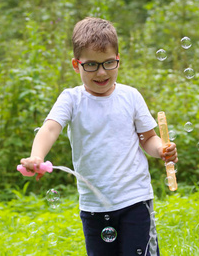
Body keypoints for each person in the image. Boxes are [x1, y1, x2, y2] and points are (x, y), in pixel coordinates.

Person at [20, 17, 178, 256]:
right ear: (76, 64)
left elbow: (148, 138)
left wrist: (161, 150)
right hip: (94, 205)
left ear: (118, 61)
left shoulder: (131, 96)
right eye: (91, 65)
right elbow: (50, 128)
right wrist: (36, 156)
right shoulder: (71, 99)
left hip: (135, 199)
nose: (101, 72)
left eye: (108, 63)